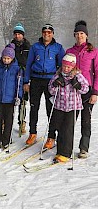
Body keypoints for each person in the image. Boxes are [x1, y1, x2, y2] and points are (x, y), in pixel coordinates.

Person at [23, 23, 65, 146]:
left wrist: (60, 79)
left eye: (49, 32)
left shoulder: (58, 47)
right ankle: (32, 133)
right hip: (36, 79)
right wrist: (26, 81)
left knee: (50, 109)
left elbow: (62, 66)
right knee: (34, 107)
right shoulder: (35, 47)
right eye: (44, 32)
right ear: (42, 33)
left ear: (52, 34)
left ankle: (51, 136)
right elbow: (29, 64)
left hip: (50, 80)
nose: (47, 34)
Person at [65, 21, 98, 158]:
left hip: (87, 91)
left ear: (86, 35)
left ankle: (84, 148)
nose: (79, 36)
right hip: (72, 90)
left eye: (82, 34)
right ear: (74, 35)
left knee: (86, 120)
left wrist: (95, 92)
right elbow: (64, 69)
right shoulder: (69, 52)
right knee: (70, 120)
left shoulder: (93, 52)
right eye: (77, 34)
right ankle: (66, 147)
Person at [48, 53, 89, 163]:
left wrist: (78, 86)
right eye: (64, 66)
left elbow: (86, 89)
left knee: (67, 129)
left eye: (69, 66)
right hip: (59, 106)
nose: (66, 68)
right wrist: (56, 85)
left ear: (73, 66)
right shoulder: (57, 75)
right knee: (59, 128)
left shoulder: (78, 76)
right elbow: (50, 90)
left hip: (72, 107)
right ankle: (60, 151)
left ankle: (66, 153)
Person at [0, 46, 23, 149]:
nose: (6, 60)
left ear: (12, 58)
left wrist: (19, 96)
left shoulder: (16, 70)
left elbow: (19, 84)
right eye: (4, 58)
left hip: (10, 100)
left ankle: (6, 140)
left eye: (8, 58)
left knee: (8, 121)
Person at [11, 23, 31, 135]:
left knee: (23, 101)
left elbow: (31, 62)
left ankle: (22, 122)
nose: (18, 36)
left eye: (19, 34)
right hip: (13, 75)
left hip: (24, 75)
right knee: (12, 98)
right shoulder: (11, 46)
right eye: (16, 34)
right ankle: (6, 122)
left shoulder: (28, 47)